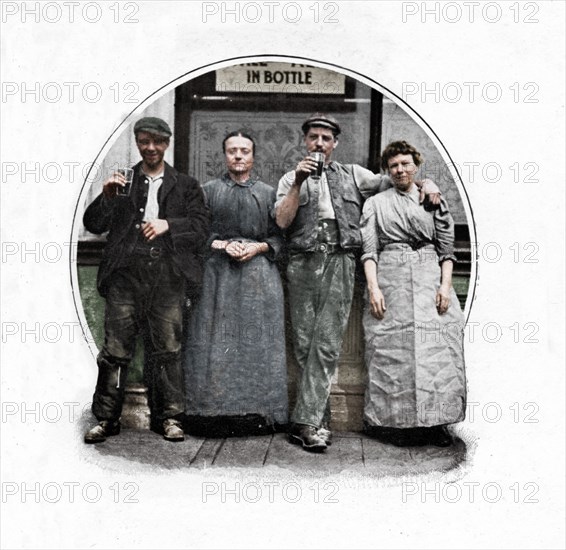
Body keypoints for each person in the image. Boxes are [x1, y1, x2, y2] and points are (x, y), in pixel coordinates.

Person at [275, 114, 440, 452]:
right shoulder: (290, 178)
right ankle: (317, 422)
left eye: (326, 138)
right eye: (313, 137)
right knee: (305, 344)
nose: (319, 143)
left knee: (327, 344)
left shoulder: (354, 175)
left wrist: (428, 184)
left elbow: (395, 179)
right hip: (302, 262)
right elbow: (281, 221)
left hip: (340, 259)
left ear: (335, 143)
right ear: (304, 141)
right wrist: (298, 183)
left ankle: (305, 423)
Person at [82, 117, 210, 443]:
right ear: (138, 143)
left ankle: (169, 419)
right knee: (115, 351)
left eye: (157, 142)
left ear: (167, 143)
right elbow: (93, 224)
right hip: (126, 276)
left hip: (167, 276)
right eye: (144, 141)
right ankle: (107, 419)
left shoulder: (185, 185)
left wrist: (169, 224)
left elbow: (201, 229)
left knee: (168, 349)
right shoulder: (123, 181)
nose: (150, 148)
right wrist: (107, 196)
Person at [360, 140, 466, 447]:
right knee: (391, 351)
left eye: (405, 164)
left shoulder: (431, 199)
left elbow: (447, 247)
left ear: (416, 166)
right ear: (387, 170)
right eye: (393, 165)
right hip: (390, 277)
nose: (400, 170)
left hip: (429, 276)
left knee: (437, 352)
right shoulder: (376, 203)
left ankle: (436, 424)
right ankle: (392, 424)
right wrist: (374, 288)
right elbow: (368, 250)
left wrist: (445, 286)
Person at [183, 131, 288, 436]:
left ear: (254, 156)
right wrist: (222, 246)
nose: (238, 156)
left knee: (257, 344)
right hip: (218, 276)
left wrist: (258, 247)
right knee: (215, 341)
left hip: (258, 278)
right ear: (224, 155)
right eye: (232, 151)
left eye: (244, 151)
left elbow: (280, 236)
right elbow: (196, 232)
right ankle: (211, 414)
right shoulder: (208, 191)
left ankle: (259, 412)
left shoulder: (269, 194)